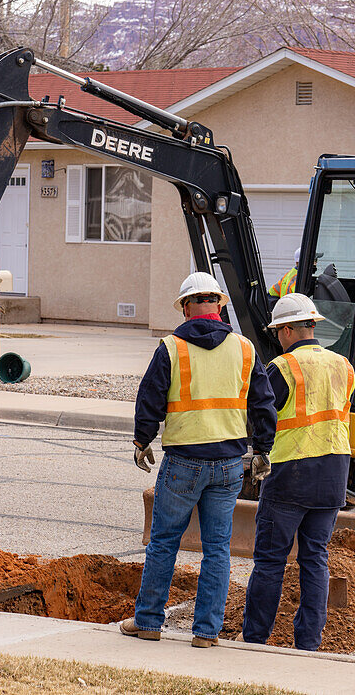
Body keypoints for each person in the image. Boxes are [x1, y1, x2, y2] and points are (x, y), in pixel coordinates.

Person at [121, 271, 276, 647]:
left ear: (187, 307)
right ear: (219, 305)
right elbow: (263, 402)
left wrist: (143, 440)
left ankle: (149, 622)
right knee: (217, 548)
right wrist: (263, 449)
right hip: (228, 464)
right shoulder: (243, 348)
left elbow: (151, 397)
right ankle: (206, 632)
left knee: (164, 543)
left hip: (184, 463)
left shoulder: (172, 348)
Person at [241, 293, 355, 651]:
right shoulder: (343, 364)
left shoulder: (283, 367)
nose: (278, 337)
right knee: (315, 559)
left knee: (270, 561)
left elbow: (262, 416)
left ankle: (255, 639)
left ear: (288, 329)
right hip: (335, 472)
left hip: (292, 473)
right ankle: (308, 643)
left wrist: (258, 452)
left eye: (278, 331)